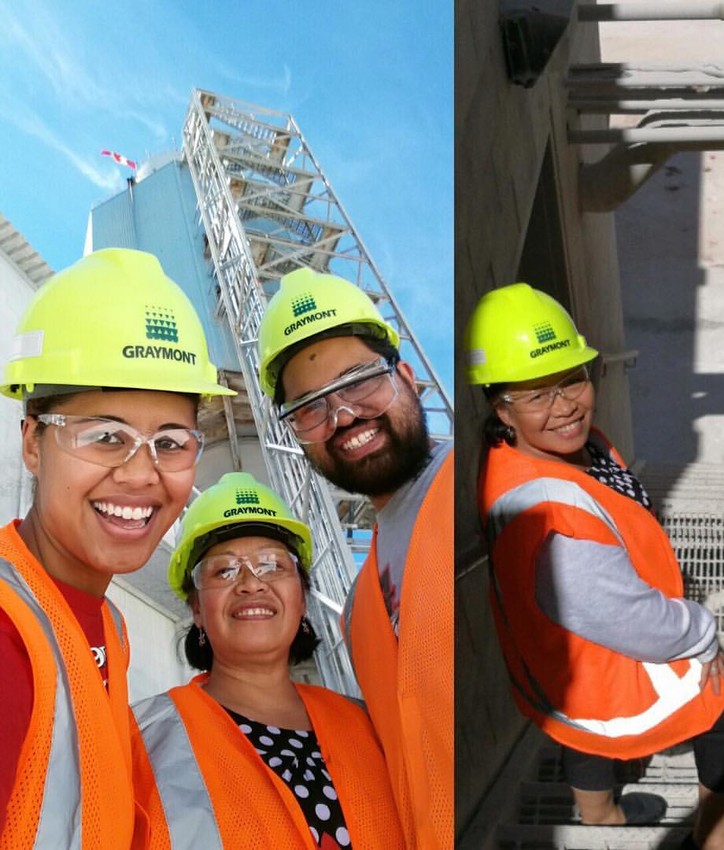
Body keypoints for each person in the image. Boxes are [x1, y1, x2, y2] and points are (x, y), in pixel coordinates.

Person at [464, 283, 724, 850]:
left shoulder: (545, 452)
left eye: (572, 379)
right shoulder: (549, 518)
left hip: (562, 663)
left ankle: (600, 820)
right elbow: (630, 619)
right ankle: (714, 840)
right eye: (537, 394)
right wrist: (702, 632)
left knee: (582, 698)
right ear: (501, 407)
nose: (564, 405)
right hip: (604, 664)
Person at [0, 248, 233, 847]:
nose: (141, 475)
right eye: (106, 436)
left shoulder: (108, 626)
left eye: (172, 441)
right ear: (33, 443)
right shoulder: (8, 634)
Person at [257, 267, 453, 850]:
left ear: (409, 379)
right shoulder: (359, 609)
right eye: (310, 407)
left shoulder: (487, 486)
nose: (342, 416)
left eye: (360, 380)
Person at [131, 471, 404, 848]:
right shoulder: (140, 739)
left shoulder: (373, 728)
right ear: (196, 607)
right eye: (224, 570)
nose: (251, 583)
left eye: (274, 565)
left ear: (302, 597)